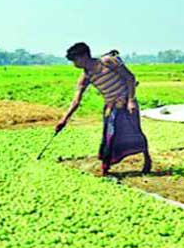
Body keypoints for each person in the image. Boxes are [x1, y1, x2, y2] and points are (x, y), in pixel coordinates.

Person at [56, 42, 151, 176]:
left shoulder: (107, 62)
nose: (74, 64)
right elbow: (76, 101)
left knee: (135, 132)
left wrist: (131, 100)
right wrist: (64, 120)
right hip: (111, 106)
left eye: (75, 60)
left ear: (84, 56)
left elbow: (130, 78)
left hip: (126, 102)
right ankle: (105, 166)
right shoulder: (86, 76)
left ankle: (147, 158)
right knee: (109, 136)